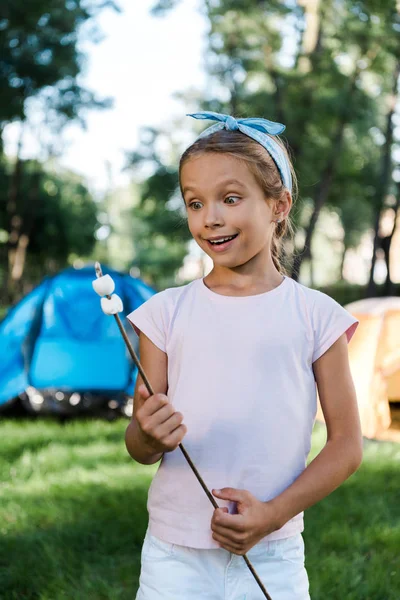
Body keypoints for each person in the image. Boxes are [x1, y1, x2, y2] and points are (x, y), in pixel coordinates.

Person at [125, 111, 363, 600]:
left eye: (230, 199)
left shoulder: (317, 316)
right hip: (175, 555)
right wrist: (148, 434)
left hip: (273, 553)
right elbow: (139, 445)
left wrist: (274, 514)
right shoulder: (164, 314)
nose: (210, 217)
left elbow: (347, 446)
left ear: (279, 205)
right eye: (195, 203)